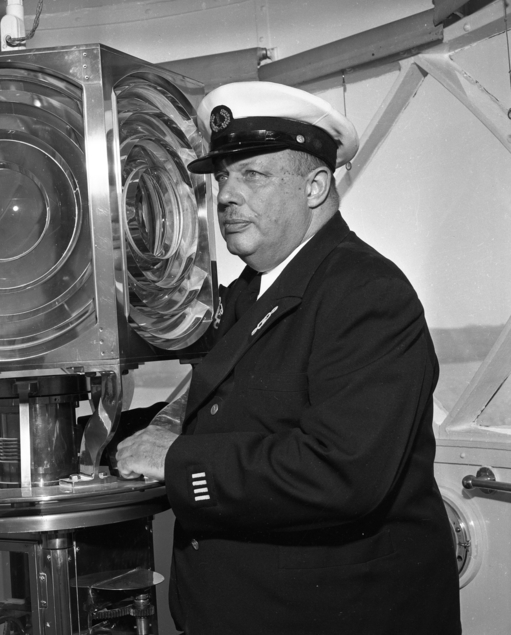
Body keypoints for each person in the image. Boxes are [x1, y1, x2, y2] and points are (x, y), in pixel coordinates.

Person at [115, 81, 461, 634]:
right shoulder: (249, 293)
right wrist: (109, 439)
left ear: (316, 186)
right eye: (224, 176)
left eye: (253, 174)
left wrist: (176, 461)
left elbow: (340, 472)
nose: (227, 195)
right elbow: (228, 413)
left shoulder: (366, 292)